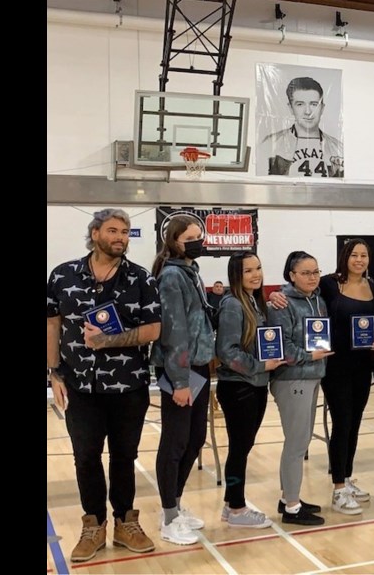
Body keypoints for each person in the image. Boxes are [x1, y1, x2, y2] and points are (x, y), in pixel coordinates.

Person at [46, 208, 161, 562]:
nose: (120, 237)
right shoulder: (63, 275)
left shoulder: (141, 279)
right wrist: (52, 372)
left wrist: (106, 342)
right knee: (85, 457)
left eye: (125, 232)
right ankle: (93, 525)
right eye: (113, 230)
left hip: (129, 387)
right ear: (95, 233)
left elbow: (153, 331)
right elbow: (52, 325)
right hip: (80, 385)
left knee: (125, 457)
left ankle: (125, 521)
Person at [150, 215, 215, 545]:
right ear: (174, 242)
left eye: (199, 236)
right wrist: (179, 382)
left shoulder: (191, 272)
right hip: (180, 370)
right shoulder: (172, 276)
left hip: (199, 366)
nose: (197, 242)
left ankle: (175, 503)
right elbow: (174, 331)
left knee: (195, 439)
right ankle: (168, 515)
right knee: (175, 442)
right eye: (190, 238)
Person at [215, 252, 285, 528]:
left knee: (241, 448)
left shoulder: (254, 302)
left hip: (254, 385)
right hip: (238, 387)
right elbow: (226, 351)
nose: (256, 274)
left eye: (258, 268)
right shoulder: (233, 304)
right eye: (248, 271)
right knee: (239, 449)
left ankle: (230, 504)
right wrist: (260, 365)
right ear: (236, 274)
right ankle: (237, 508)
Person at [266, 251, 333, 526]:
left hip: (314, 376)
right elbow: (280, 347)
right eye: (305, 273)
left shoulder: (318, 300)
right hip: (292, 378)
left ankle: (288, 497)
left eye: (316, 272)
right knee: (295, 444)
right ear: (291, 275)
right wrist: (309, 356)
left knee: (302, 441)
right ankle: (292, 508)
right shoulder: (280, 304)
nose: (312, 277)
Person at [317, 239, 374, 514]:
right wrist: (276, 296)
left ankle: (347, 477)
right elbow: (300, 293)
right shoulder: (329, 283)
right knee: (342, 422)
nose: (359, 259)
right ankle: (338, 489)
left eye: (364, 255)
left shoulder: (373, 287)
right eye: (354, 255)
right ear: (345, 257)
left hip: (362, 365)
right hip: (335, 366)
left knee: (354, 423)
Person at [265, 76, 344, 178]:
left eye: (314, 104)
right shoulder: (270, 144)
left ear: (322, 108)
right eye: (300, 104)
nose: (308, 112)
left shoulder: (338, 148)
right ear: (291, 108)